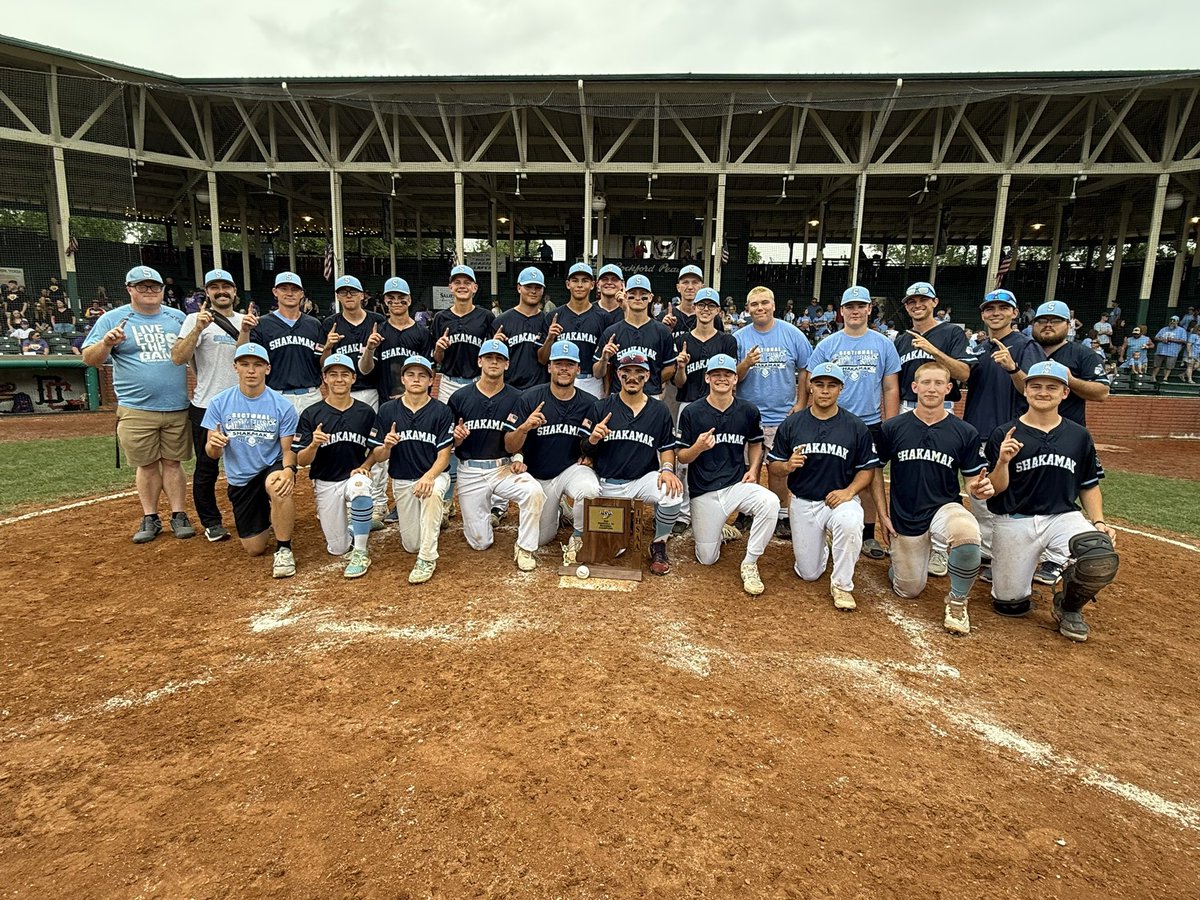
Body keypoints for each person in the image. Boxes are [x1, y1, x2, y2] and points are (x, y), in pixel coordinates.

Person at [983, 361, 1119, 643]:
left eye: (1051, 387)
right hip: (1015, 518)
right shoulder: (1005, 433)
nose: (1043, 392)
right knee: (1009, 604)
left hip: (1062, 517)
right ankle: (1019, 584)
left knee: (1098, 553)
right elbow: (994, 489)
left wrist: (1099, 522)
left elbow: (1089, 484)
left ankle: (1068, 606)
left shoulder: (1078, 435)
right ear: (1025, 390)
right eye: (1035, 386)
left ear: (1064, 393)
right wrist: (1003, 461)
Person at [870, 362, 992, 635]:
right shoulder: (893, 427)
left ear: (948, 389)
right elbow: (875, 469)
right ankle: (902, 563)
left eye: (939, 383)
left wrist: (979, 488)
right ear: (914, 387)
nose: (932, 389)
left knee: (967, 533)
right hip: (905, 515)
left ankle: (958, 601)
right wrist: (883, 515)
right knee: (908, 590)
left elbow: (972, 481)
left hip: (943, 508)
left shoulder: (965, 431)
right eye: (925, 382)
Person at [82, 265, 195, 543]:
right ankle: (150, 516)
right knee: (146, 465)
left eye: (155, 286)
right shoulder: (113, 319)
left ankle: (179, 514)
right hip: (137, 407)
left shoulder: (177, 317)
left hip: (176, 405)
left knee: (173, 463)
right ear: (129, 289)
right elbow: (89, 359)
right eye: (142, 286)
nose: (149, 291)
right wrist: (107, 344)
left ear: (163, 290)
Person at [770, 362, 881, 609]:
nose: (825, 390)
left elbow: (867, 469)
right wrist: (787, 466)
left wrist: (849, 492)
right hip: (804, 501)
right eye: (819, 384)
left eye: (832, 385)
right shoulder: (793, 423)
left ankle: (842, 585)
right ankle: (826, 545)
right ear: (810, 387)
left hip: (839, 499)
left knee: (850, 521)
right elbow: (773, 466)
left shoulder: (855, 426)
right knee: (808, 573)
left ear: (841, 389)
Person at [807, 285, 901, 560]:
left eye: (861, 306)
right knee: (826, 469)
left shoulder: (883, 344)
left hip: (869, 422)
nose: (855, 311)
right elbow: (813, 382)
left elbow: (890, 387)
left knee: (869, 477)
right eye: (850, 306)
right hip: (832, 420)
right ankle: (823, 526)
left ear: (869, 309)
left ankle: (868, 533)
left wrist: (890, 425)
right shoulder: (828, 344)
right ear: (842, 311)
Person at [678, 354, 780, 595]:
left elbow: (755, 443)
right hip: (704, 490)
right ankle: (720, 529)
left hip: (736, 485)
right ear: (707, 378)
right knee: (707, 559)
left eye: (727, 375)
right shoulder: (692, 412)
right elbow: (682, 457)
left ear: (735, 379)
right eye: (716, 374)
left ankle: (750, 562)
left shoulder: (748, 410)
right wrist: (698, 447)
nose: (721, 379)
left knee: (770, 502)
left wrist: (753, 469)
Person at [960, 289, 1045, 579]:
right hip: (977, 430)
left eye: (1002, 308)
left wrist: (1013, 368)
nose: (995, 313)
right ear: (983, 314)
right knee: (981, 497)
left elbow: (1033, 389)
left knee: (1010, 499)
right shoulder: (978, 348)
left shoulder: (1025, 345)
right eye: (989, 308)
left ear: (1014, 312)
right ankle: (990, 554)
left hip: (1011, 433)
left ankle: (1016, 559)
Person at [202, 343, 299, 578]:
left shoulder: (282, 405)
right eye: (245, 364)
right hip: (241, 477)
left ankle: (284, 548)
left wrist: (289, 470)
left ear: (268, 368)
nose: (251, 370)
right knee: (254, 548)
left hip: (270, 466)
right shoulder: (219, 402)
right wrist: (214, 444)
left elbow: (288, 449)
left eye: (257, 365)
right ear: (235, 367)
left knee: (278, 485)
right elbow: (211, 453)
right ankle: (267, 516)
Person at [448, 339, 546, 571]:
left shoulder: (518, 397)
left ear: (507, 364)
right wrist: (457, 438)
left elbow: (517, 443)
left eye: (499, 359)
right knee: (480, 543)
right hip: (470, 470)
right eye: (489, 358)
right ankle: (485, 519)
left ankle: (525, 547)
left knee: (534, 492)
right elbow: (451, 443)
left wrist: (519, 457)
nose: (494, 362)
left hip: (503, 467)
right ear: (479, 361)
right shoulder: (459, 397)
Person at [584, 351, 683, 575]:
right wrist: (593, 439)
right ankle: (623, 519)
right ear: (618, 374)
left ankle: (659, 543)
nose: (632, 377)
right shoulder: (602, 407)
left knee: (672, 493)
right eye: (626, 371)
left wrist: (667, 469)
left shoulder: (659, 410)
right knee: (611, 551)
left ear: (647, 376)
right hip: (608, 484)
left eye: (639, 372)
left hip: (641, 480)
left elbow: (667, 447)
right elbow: (585, 450)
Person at [358, 356, 453, 584]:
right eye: (410, 374)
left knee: (432, 493)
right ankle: (433, 522)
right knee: (412, 545)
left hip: (434, 475)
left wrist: (429, 477)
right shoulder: (388, 410)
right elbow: (378, 456)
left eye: (422, 375)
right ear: (403, 379)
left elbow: (444, 456)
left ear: (431, 380)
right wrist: (387, 446)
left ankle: (427, 558)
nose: (416, 379)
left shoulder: (441, 411)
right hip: (402, 479)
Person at [503, 340, 601, 558]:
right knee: (541, 539)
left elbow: (593, 443)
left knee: (589, 489)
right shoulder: (530, 398)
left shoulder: (590, 403)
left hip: (570, 470)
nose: (564, 369)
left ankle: (578, 535)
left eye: (570, 364)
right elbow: (509, 445)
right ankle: (559, 509)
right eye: (558, 364)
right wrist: (524, 428)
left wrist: (591, 457)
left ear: (578, 369)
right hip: (538, 476)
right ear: (549, 367)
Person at [171, 268, 245, 541]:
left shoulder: (245, 321)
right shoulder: (194, 319)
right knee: (206, 467)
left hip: (242, 406)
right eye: (215, 287)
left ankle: (248, 516)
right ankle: (211, 521)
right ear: (207, 292)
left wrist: (248, 330)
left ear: (234, 291)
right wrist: (198, 329)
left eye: (226, 287)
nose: (221, 291)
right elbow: (178, 358)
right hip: (207, 405)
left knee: (248, 465)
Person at [734, 285, 812, 538]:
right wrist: (746, 363)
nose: (760, 308)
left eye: (764, 302)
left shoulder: (792, 334)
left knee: (778, 469)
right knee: (748, 466)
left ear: (774, 305)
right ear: (747, 309)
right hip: (749, 416)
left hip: (782, 416)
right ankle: (746, 512)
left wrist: (801, 402)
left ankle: (782, 514)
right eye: (754, 304)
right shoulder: (740, 337)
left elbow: (806, 368)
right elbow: (732, 376)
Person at [293, 354, 379, 578]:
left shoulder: (365, 412)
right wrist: (313, 444)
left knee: (360, 485)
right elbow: (301, 460)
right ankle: (355, 526)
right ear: (324, 378)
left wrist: (366, 465)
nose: (339, 379)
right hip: (325, 481)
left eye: (344, 374)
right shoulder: (311, 414)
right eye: (333, 374)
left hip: (353, 477)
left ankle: (361, 552)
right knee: (338, 548)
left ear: (353, 378)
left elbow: (375, 450)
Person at [320, 274, 388, 520]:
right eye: (343, 292)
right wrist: (328, 346)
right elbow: (322, 364)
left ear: (362, 295)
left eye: (353, 291)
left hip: (370, 390)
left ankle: (378, 500)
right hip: (339, 393)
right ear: (338, 296)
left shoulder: (378, 321)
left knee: (374, 444)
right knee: (343, 444)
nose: (348, 296)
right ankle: (340, 498)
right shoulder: (329, 323)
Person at [431, 264, 496, 513]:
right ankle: (447, 499)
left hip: (478, 383)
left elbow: (492, 352)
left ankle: (489, 497)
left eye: (466, 282)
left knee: (482, 434)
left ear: (474, 288)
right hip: (449, 382)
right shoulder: (441, 318)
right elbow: (437, 359)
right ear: (450, 287)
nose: (462, 286)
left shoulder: (486, 317)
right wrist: (439, 349)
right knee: (448, 439)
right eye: (457, 282)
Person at [241, 272, 324, 415]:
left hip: (311, 395)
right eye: (284, 289)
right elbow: (244, 354)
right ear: (275, 292)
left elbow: (321, 361)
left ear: (301, 294)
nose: (289, 293)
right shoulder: (262, 324)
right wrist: (244, 331)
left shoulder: (314, 324)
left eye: (294, 289)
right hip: (276, 394)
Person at [594, 274, 677, 398]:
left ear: (650, 297)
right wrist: (604, 359)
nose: (638, 298)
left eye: (643, 293)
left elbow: (670, 367)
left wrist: (649, 381)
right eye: (633, 293)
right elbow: (597, 373)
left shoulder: (662, 331)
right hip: (619, 397)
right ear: (625, 296)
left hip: (650, 396)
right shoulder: (612, 332)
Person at [1030, 301, 1109, 427]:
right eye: (1042, 320)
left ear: (1068, 325)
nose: (1048, 325)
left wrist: (1070, 380)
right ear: (1033, 325)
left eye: (1056, 321)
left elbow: (1102, 393)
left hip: (1068, 431)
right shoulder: (1023, 351)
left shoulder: (1084, 354)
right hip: (1025, 430)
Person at [893, 281, 969, 412]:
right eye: (912, 302)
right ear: (906, 307)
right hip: (907, 408)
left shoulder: (952, 332)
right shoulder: (901, 340)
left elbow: (964, 375)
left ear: (935, 302)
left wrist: (934, 351)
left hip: (942, 408)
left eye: (923, 300)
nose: (917, 305)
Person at [542, 262, 609, 398]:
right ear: (568, 284)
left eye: (585, 281)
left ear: (593, 285)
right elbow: (542, 359)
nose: (579, 285)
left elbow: (607, 362)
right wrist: (549, 339)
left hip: (591, 380)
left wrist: (606, 390)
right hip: (560, 379)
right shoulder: (554, 316)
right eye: (575, 280)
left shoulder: (603, 317)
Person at [364, 276, 433, 404]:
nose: (396, 301)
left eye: (401, 298)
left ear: (409, 300)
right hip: (385, 400)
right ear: (385, 300)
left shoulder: (423, 333)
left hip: (415, 399)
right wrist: (369, 349)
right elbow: (365, 369)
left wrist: (410, 393)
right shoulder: (378, 332)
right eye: (391, 298)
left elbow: (429, 369)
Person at [493, 267, 550, 390]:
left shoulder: (547, 322)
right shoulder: (501, 321)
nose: (533, 291)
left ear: (543, 290)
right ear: (519, 288)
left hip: (540, 390)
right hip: (509, 389)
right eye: (528, 287)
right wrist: (494, 345)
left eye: (538, 287)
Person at [1150, 315, 1189, 383]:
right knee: (1156, 365)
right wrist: (1162, 339)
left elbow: (1184, 341)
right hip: (1161, 350)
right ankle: (1153, 377)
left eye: (1174, 321)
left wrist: (1172, 340)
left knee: (1169, 366)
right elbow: (1156, 338)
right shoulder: (1164, 329)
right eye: (1171, 321)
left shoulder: (1182, 330)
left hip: (1172, 351)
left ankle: (1165, 378)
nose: (1172, 323)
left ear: (1177, 322)